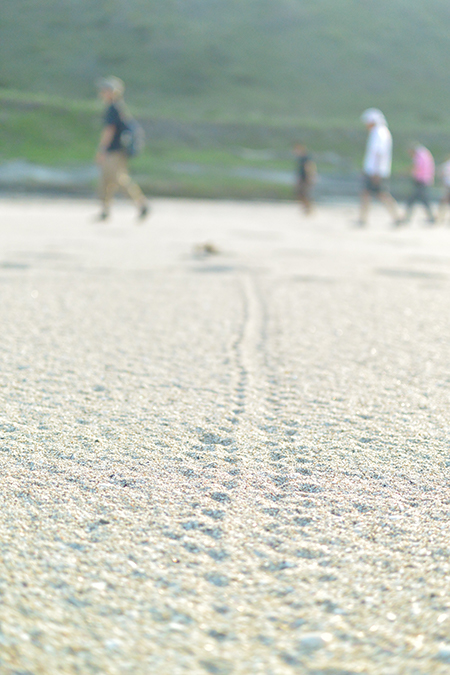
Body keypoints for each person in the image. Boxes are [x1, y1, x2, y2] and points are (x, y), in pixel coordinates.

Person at [95, 76, 148, 222]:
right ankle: (105, 210)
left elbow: (109, 131)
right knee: (107, 181)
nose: (102, 93)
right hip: (117, 151)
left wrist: (102, 150)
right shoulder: (118, 107)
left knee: (118, 180)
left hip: (114, 152)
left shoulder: (114, 108)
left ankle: (141, 204)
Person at [358, 108, 399, 227]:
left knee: (382, 194)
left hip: (376, 171)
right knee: (367, 193)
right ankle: (363, 218)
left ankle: (396, 217)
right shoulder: (379, 132)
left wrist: (376, 172)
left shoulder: (379, 133)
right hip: (375, 171)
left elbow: (378, 153)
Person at [402, 143, 435, 224]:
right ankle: (431, 217)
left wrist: (406, 172)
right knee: (422, 200)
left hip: (421, 180)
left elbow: (416, 166)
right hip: (425, 179)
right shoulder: (423, 152)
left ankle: (406, 217)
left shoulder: (420, 155)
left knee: (413, 199)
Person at [294, 143, 316, 214]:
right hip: (302, 178)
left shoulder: (305, 158)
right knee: (301, 194)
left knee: (304, 193)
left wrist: (310, 177)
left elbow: (309, 167)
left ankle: (308, 208)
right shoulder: (300, 158)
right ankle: (306, 208)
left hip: (305, 179)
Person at [438, 155, 450, 223]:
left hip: (447, 186)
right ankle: (440, 217)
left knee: (444, 202)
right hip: (448, 186)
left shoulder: (446, 165)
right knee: (444, 202)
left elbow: (441, 173)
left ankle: (440, 218)